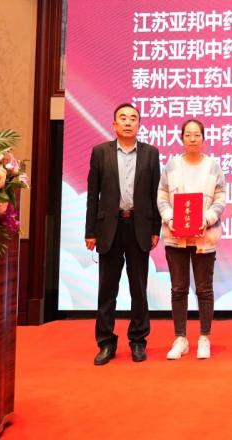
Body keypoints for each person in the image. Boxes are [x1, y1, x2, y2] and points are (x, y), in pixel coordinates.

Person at [85, 103, 161, 366]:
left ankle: (138, 340)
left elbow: (155, 194)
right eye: (123, 118)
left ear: (139, 125)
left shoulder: (150, 154)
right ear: (114, 125)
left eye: (133, 118)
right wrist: (90, 231)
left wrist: (155, 229)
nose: (128, 122)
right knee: (107, 289)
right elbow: (93, 195)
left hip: (139, 227)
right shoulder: (100, 152)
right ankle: (106, 342)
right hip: (109, 228)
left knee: (139, 288)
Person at [157, 119, 226, 360]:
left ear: (203, 138)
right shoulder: (172, 165)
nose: (193, 138)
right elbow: (162, 195)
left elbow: (220, 197)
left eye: (197, 134)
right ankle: (180, 339)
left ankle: (204, 337)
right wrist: (169, 218)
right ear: (182, 138)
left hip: (204, 237)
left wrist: (207, 218)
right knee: (178, 289)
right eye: (188, 134)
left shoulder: (213, 166)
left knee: (204, 289)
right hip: (175, 237)